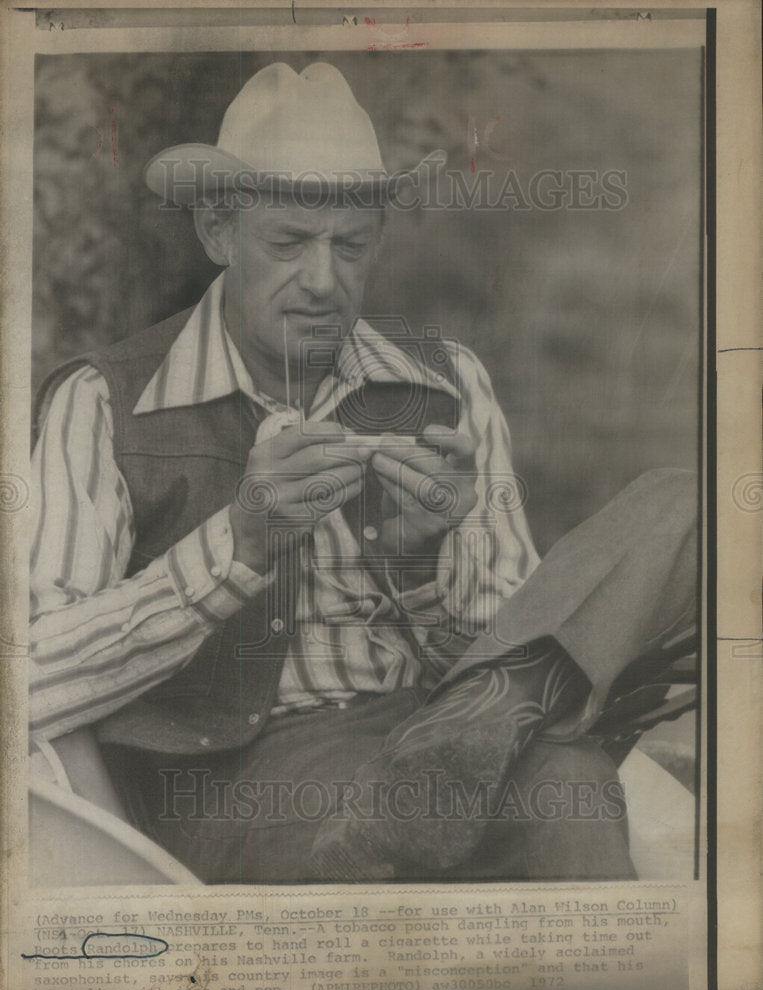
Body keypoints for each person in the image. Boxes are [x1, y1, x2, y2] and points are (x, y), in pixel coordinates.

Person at [29, 62, 696, 884]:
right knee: (474, 794)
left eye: (350, 246)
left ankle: (496, 720)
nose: (322, 281)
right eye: (287, 244)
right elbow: (28, 676)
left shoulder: (445, 381)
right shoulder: (103, 399)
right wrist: (234, 550)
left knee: (678, 521)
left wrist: (420, 576)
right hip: (243, 785)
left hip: (432, 735)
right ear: (216, 233)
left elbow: (503, 625)